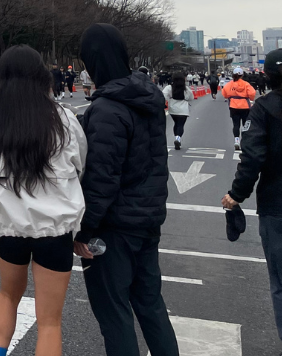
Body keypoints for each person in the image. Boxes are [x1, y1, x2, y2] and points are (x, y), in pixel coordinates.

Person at [0, 45, 87, 356]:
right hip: (55, 232)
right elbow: (80, 164)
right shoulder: (64, 120)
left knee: (8, 295)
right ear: (41, 76)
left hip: (7, 229)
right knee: (49, 321)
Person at [75, 23, 178, 356]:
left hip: (113, 229)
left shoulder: (107, 110)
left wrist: (82, 229)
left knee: (114, 314)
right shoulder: (147, 99)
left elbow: (101, 180)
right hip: (147, 221)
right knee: (150, 305)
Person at [223, 49, 282, 356]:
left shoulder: (263, 108)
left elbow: (253, 158)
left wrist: (236, 195)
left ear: (268, 77)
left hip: (276, 209)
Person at [224, 66, 258, 151]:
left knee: (236, 124)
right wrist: (250, 99)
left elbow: (225, 93)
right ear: (242, 75)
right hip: (245, 106)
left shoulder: (230, 84)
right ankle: (245, 142)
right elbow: (252, 93)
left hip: (233, 106)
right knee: (245, 125)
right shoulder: (246, 84)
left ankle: (236, 140)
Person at [162, 73, 191, 151]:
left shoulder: (169, 87)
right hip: (183, 109)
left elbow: (163, 96)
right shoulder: (186, 89)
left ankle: (177, 137)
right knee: (181, 124)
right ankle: (178, 138)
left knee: (176, 123)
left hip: (173, 108)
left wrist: (166, 102)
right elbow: (190, 97)